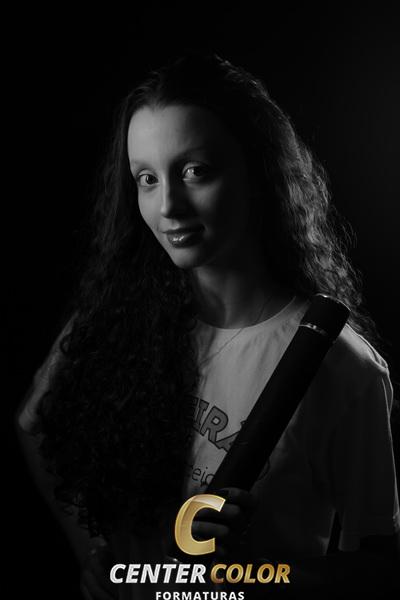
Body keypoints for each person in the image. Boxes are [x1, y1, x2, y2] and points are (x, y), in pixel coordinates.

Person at [16, 52, 400, 598]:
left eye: (194, 170)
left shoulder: (345, 366)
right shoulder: (112, 321)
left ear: (257, 172)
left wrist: (247, 575)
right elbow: (32, 426)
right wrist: (95, 555)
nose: (169, 205)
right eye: (147, 178)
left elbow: (380, 568)